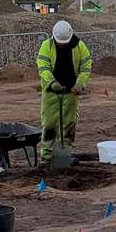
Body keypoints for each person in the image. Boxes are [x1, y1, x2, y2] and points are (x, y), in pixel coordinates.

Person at [36, 19, 92, 164]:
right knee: (49, 124)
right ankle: (47, 155)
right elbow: (43, 66)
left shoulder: (79, 46)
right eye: (59, 42)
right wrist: (51, 82)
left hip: (71, 92)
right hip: (51, 92)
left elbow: (86, 66)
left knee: (68, 124)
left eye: (64, 42)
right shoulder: (46, 46)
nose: (62, 44)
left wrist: (80, 83)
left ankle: (64, 154)